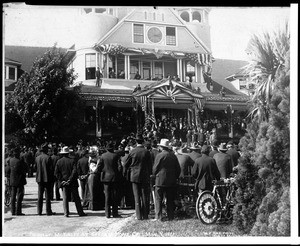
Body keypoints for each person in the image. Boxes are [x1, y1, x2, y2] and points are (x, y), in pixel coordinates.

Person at [124, 135, 152, 220]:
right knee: (144, 196)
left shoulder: (132, 152)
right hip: (144, 176)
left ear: (136, 142)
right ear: (143, 142)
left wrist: (130, 169)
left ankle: (139, 216)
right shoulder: (146, 152)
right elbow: (150, 165)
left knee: (136, 196)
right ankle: (145, 214)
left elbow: (126, 164)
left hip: (134, 176)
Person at [152, 139, 181, 221]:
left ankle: (158, 216)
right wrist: (175, 177)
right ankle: (170, 216)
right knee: (170, 200)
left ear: (161, 147)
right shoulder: (173, 156)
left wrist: (154, 175)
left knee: (158, 199)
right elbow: (178, 169)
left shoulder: (159, 155)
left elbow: (155, 168)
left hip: (160, 180)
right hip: (171, 180)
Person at [55, 146, 87, 217]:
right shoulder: (72, 161)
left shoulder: (59, 161)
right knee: (76, 198)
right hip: (72, 182)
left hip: (63, 182)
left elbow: (56, 173)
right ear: (68, 153)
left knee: (65, 198)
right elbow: (74, 171)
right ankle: (80, 212)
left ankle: (66, 213)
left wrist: (62, 180)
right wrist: (69, 179)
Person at [98, 142, 123, 218]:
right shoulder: (116, 156)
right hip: (114, 177)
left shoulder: (102, 156)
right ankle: (115, 213)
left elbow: (99, 167)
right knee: (114, 195)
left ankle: (107, 213)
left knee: (107, 196)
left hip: (105, 178)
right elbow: (120, 167)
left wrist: (102, 171)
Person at [5, 147, 27, 216]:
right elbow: (25, 170)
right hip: (20, 181)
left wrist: (9, 176)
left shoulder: (10, 160)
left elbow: (7, 170)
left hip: (12, 181)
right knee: (20, 196)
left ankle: (13, 211)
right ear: (18, 154)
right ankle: (18, 211)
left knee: (13, 196)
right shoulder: (20, 161)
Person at [35, 143, 56, 216]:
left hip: (39, 179)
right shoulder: (48, 158)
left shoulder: (37, 158)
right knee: (47, 196)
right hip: (47, 179)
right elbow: (51, 169)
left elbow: (35, 168)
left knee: (40, 195)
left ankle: (39, 211)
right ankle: (48, 211)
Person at [82, 146, 104, 210]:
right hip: (93, 176)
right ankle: (93, 206)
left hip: (92, 176)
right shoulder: (94, 160)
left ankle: (92, 205)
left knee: (91, 191)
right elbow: (95, 168)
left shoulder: (93, 159)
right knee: (93, 191)